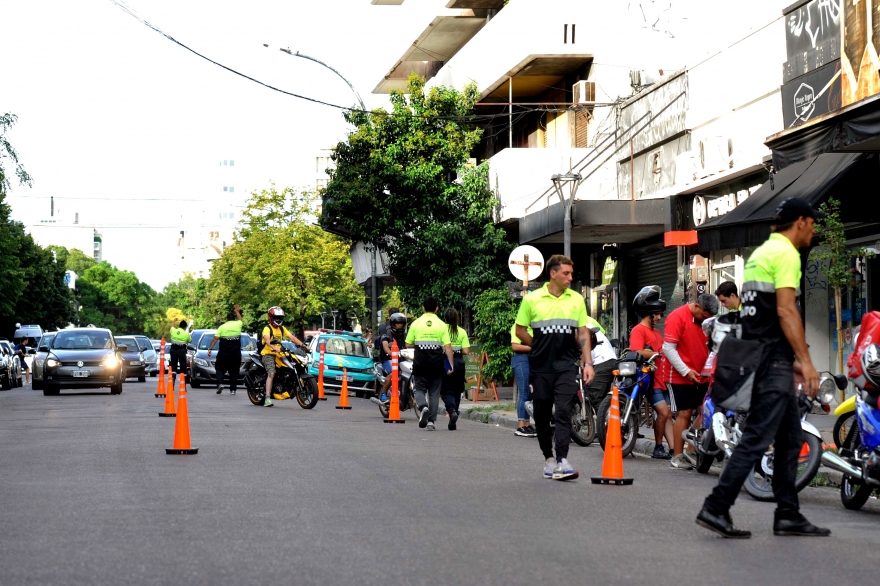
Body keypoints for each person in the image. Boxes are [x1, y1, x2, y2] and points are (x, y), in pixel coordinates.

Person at [697, 198, 828, 539]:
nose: (813, 231)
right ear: (799, 222)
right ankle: (716, 506)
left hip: (763, 356)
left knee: (790, 438)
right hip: (772, 362)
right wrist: (807, 361)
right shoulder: (785, 254)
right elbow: (785, 311)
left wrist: (793, 359)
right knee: (757, 436)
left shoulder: (761, 253)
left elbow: (764, 313)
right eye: (812, 225)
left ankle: (788, 514)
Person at [515, 254, 594, 481]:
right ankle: (548, 459)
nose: (570, 277)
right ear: (553, 274)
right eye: (566, 273)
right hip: (540, 367)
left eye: (571, 273)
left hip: (567, 366)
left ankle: (562, 461)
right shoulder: (532, 300)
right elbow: (520, 330)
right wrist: (537, 345)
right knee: (541, 413)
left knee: (563, 411)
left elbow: (582, 334)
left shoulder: (576, 299)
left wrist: (587, 363)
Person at [657, 293, 718, 469]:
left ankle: (691, 448)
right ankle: (677, 455)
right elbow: (668, 348)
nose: (705, 321)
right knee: (684, 413)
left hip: (702, 374)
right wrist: (685, 371)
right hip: (678, 375)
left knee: (705, 410)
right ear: (697, 306)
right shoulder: (677, 316)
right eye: (703, 317)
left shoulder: (709, 321)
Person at [629, 286, 673, 459]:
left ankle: (673, 450)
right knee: (663, 412)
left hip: (661, 377)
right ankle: (658, 447)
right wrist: (659, 354)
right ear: (650, 313)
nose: (660, 317)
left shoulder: (656, 333)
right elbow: (636, 351)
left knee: (668, 414)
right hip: (649, 378)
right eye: (658, 314)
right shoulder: (638, 330)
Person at [406, 296, 455, 431]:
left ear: (423, 308)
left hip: (420, 362)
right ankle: (431, 422)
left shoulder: (415, 324)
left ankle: (423, 407)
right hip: (437, 363)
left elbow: (408, 343)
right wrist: (450, 365)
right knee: (434, 392)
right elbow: (448, 347)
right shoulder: (442, 325)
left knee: (419, 389)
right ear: (437, 309)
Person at [260, 306, 306, 407]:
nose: (278, 320)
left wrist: (304, 346)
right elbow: (267, 340)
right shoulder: (267, 328)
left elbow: (292, 338)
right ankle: (267, 398)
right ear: (270, 317)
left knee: (292, 366)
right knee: (271, 373)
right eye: (276, 317)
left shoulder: (282, 328)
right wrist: (274, 347)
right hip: (268, 354)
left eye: (280, 318)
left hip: (279, 354)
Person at [440, 308, 470, 431]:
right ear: (457, 318)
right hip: (459, 362)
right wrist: (457, 350)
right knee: (457, 389)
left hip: (446, 362)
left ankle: (451, 410)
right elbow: (466, 351)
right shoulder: (462, 332)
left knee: (447, 389)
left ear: (445, 318)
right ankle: (455, 412)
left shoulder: (442, 330)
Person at [207, 304, 243, 396]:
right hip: (235, 354)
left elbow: (215, 338)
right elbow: (240, 319)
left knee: (219, 369)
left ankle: (219, 384)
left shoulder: (222, 327)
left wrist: (210, 348)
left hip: (224, 353)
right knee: (234, 371)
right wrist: (237, 312)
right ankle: (233, 390)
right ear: (233, 319)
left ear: (226, 319)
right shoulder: (238, 324)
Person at [511, 322, 536, 437]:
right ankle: (521, 425)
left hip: (532, 360)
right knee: (524, 392)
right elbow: (515, 346)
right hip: (521, 360)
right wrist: (532, 347)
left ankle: (527, 424)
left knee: (530, 393)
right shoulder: (518, 327)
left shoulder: (534, 328)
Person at [586, 327, 617, 414]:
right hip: (611, 359)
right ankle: (606, 419)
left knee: (595, 396)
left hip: (602, 361)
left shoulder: (580, 324)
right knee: (603, 398)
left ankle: (604, 424)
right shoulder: (588, 321)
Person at [377, 312, 407, 401]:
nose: (399, 326)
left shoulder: (405, 336)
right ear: (393, 324)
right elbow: (385, 345)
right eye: (397, 324)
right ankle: (383, 393)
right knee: (393, 373)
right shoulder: (387, 335)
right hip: (388, 359)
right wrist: (391, 353)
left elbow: (410, 345)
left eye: (401, 324)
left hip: (402, 359)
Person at [168, 320, 191, 386]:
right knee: (183, 367)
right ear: (185, 327)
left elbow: (172, 326)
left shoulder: (174, 330)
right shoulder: (186, 334)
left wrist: (174, 321)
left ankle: (173, 379)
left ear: (179, 325)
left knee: (173, 366)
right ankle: (183, 383)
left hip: (174, 350)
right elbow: (190, 340)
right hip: (182, 351)